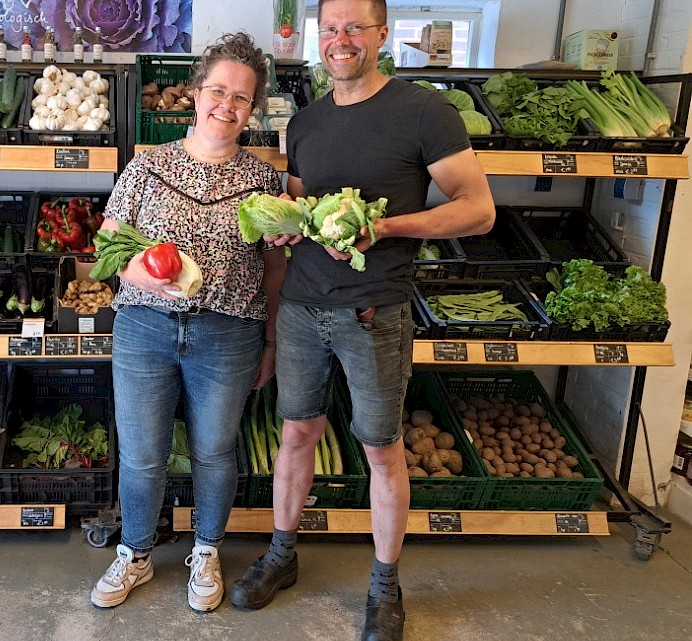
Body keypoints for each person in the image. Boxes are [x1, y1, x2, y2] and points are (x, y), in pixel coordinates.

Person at [228, 1, 495, 640]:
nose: (339, 40)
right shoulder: (307, 123)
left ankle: (384, 586)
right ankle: (281, 555)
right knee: (296, 434)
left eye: (353, 27)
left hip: (375, 310)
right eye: (329, 29)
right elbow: (299, 202)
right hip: (301, 308)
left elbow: (479, 210)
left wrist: (387, 227)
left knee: (381, 448)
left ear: (380, 34)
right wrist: (286, 227)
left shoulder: (425, 111)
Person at [90, 32, 284, 613]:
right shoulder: (147, 167)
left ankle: (206, 549)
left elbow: (274, 271)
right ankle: (135, 552)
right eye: (218, 90)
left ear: (252, 110)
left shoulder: (265, 182)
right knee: (143, 453)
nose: (227, 105)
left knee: (215, 452)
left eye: (241, 98)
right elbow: (105, 247)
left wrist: (270, 340)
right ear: (197, 93)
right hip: (144, 328)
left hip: (230, 334)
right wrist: (137, 275)